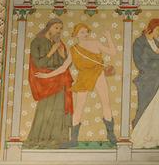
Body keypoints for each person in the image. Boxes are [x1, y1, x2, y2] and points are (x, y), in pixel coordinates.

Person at [25, 18, 74, 148]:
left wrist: (61, 52)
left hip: (60, 78)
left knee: (60, 109)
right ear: (49, 27)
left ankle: (58, 139)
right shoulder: (37, 42)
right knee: (45, 110)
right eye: (56, 28)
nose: (59, 31)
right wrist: (53, 50)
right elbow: (39, 63)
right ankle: (39, 139)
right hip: (46, 80)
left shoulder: (58, 43)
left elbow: (65, 64)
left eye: (60, 28)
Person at [69, 22, 119, 145]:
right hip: (84, 77)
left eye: (86, 31)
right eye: (82, 32)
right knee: (79, 106)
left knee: (106, 103)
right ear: (76, 34)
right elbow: (65, 65)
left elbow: (113, 53)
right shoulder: (74, 49)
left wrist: (108, 37)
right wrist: (48, 75)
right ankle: (73, 139)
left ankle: (111, 134)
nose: (85, 34)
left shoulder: (95, 43)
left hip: (98, 74)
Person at [131, 18, 159, 148]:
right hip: (147, 81)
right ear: (151, 27)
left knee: (158, 108)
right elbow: (141, 62)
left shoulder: (156, 42)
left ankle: (154, 138)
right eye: (158, 29)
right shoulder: (139, 42)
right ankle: (139, 138)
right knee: (146, 107)